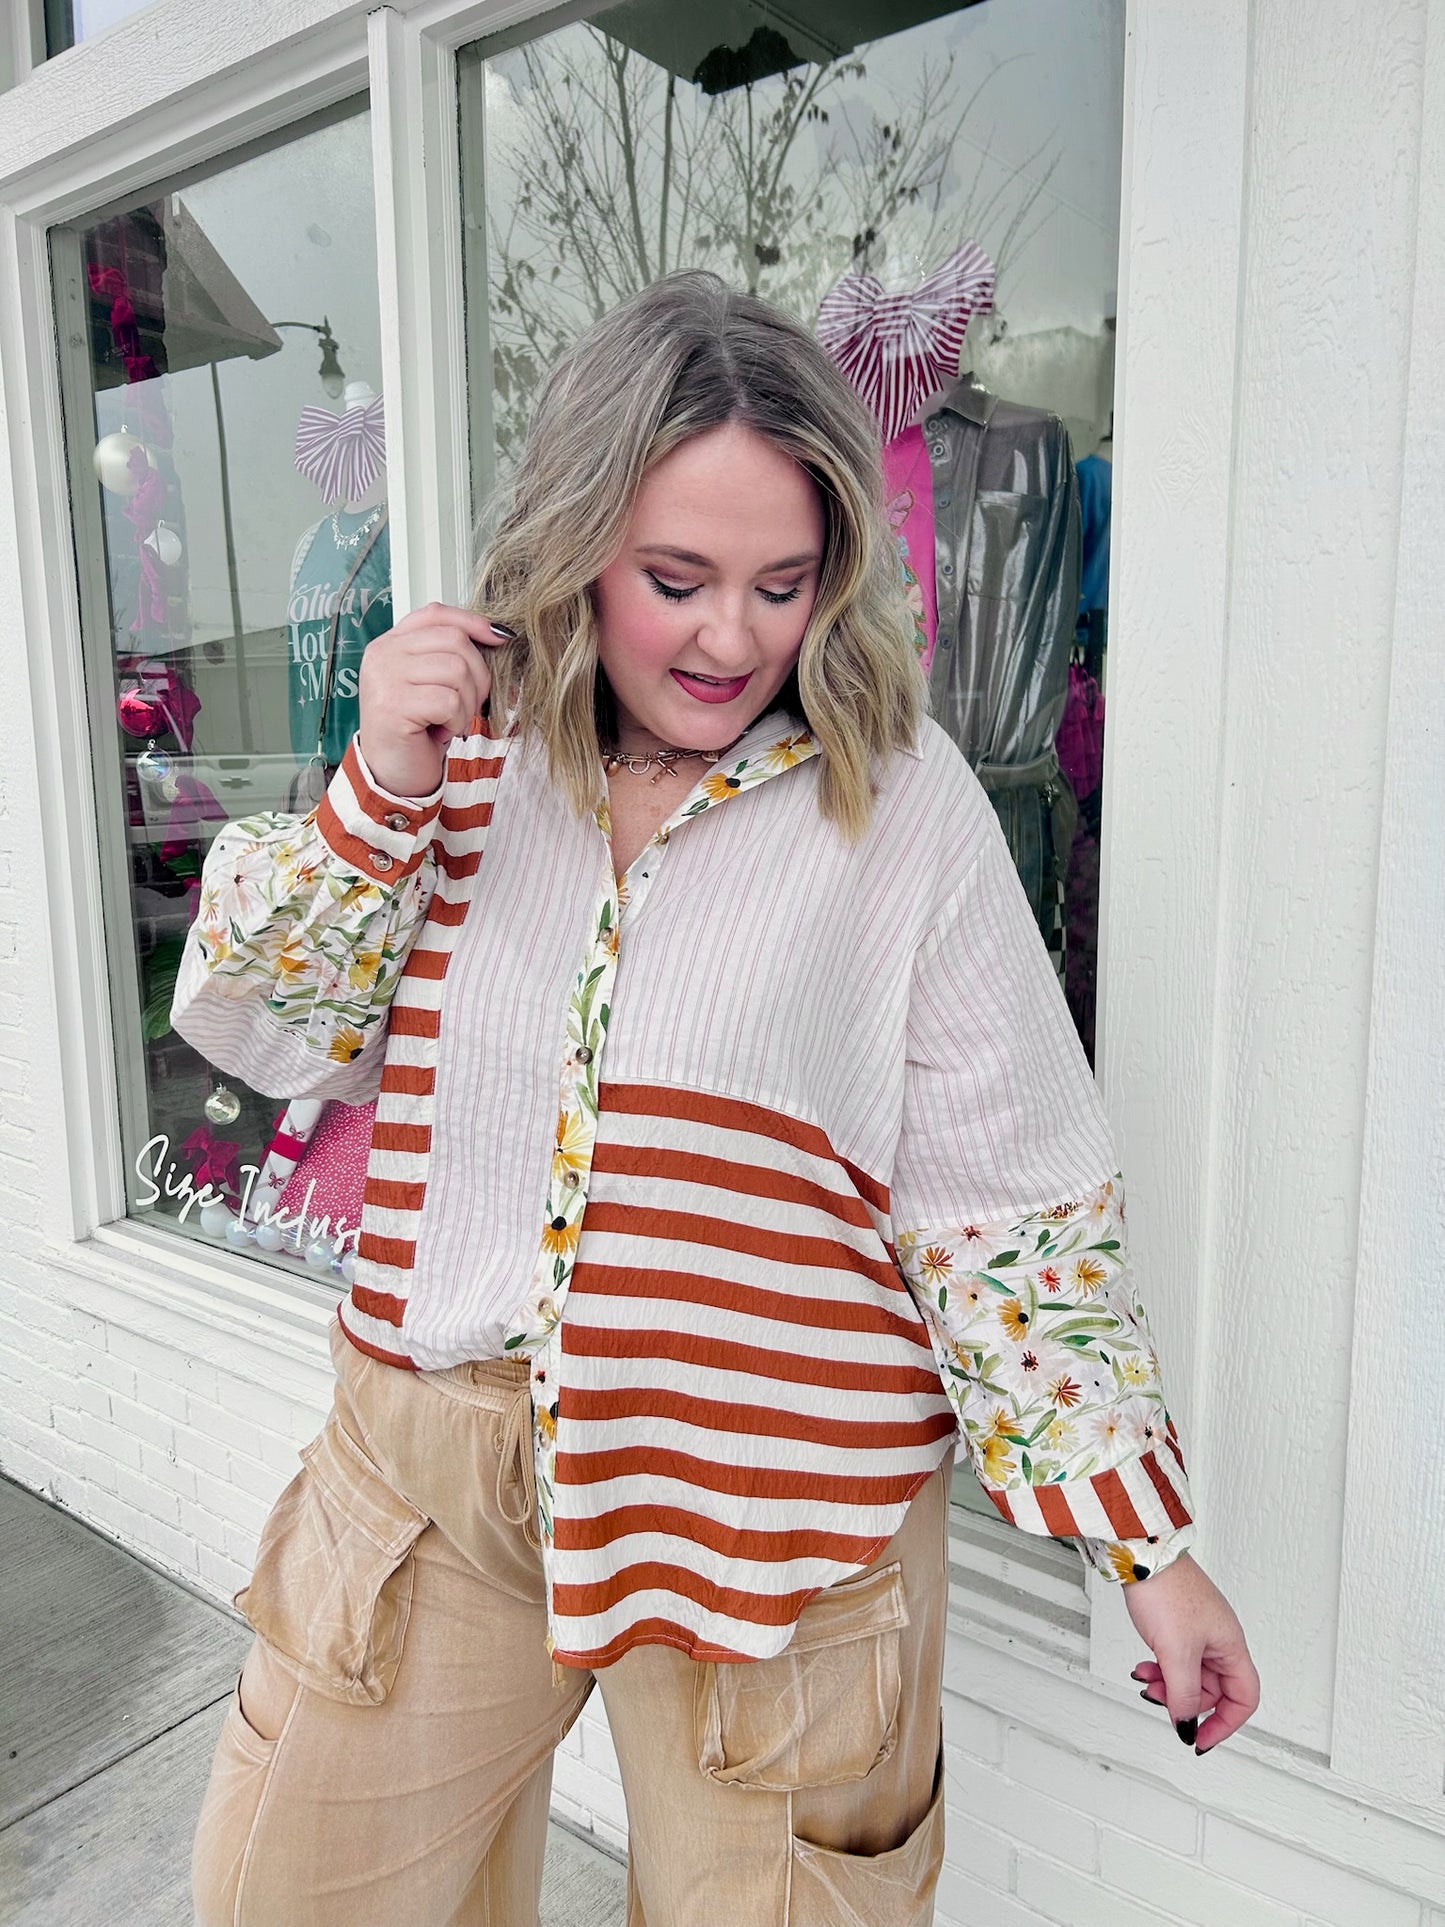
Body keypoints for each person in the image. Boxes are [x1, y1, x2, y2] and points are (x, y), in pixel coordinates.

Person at [180, 270, 1258, 1927]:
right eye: (674, 577)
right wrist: (371, 797)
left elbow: (1004, 1207)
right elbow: (261, 1037)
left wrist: (1143, 1546)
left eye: (782, 582)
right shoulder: (457, 755)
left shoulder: (900, 803)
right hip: (434, 1490)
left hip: (783, 1515)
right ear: (573, 540)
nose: (730, 636)